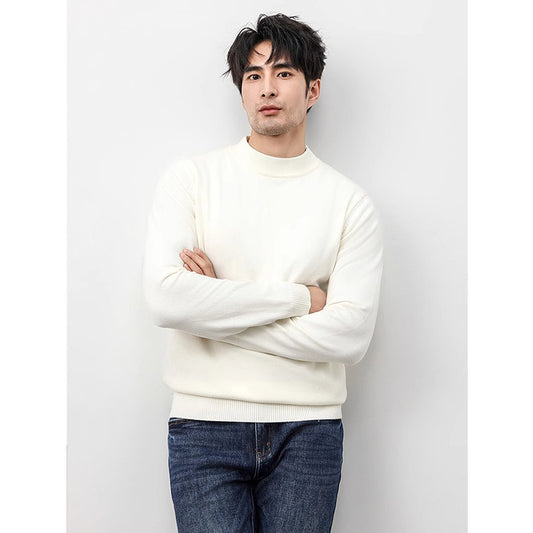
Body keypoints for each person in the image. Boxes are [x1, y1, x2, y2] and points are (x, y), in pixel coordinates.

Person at [142, 12, 384, 533]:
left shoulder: (349, 202)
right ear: (242, 91)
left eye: (284, 73)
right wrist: (299, 299)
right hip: (204, 425)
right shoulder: (191, 180)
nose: (267, 88)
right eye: (253, 75)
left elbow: (349, 337)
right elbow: (166, 299)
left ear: (312, 89)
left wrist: (213, 312)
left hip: (309, 430)